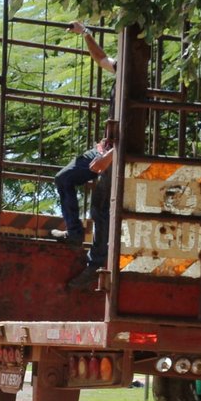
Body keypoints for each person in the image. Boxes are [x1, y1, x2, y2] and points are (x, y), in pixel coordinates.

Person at [55, 20, 119, 287]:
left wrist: (110, 156)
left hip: (117, 154)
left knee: (101, 209)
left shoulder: (139, 88)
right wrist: (86, 34)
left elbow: (137, 133)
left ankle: (94, 267)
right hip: (106, 148)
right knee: (64, 178)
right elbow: (102, 58)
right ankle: (74, 232)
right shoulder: (121, 70)